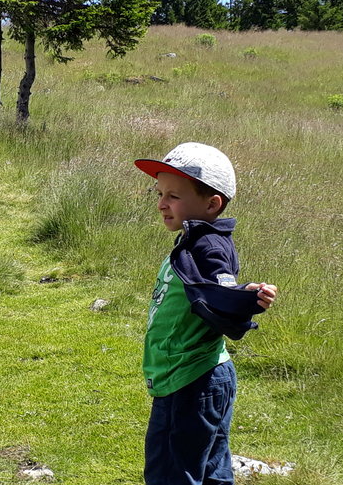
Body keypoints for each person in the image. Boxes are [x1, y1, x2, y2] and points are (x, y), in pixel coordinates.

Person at [133, 142, 278, 485]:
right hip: (204, 376)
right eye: (160, 193)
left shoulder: (207, 244)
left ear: (212, 203)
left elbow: (219, 285)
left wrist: (241, 295)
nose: (161, 204)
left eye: (174, 195)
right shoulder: (196, 239)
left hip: (190, 380)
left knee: (172, 475)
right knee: (211, 471)